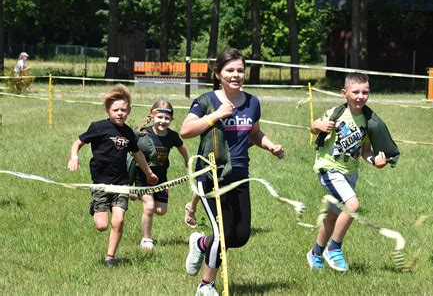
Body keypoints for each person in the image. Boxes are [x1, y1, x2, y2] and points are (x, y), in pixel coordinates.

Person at [180, 48, 284, 295]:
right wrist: (216, 115)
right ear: (218, 73)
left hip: (240, 175)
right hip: (211, 175)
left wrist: (270, 146)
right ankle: (206, 285)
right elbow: (185, 130)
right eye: (230, 70)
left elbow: (254, 132)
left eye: (240, 70)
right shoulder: (206, 101)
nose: (236, 75)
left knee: (240, 235)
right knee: (223, 234)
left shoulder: (252, 102)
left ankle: (200, 242)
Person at [306, 72, 390, 272]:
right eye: (356, 92)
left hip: (350, 173)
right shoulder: (335, 112)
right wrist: (319, 126)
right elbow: (313, 128)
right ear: (344, 93)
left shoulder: (369, 120)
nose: (360, 96)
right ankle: (334, 249)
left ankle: (316, 252)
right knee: (352, 205)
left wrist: (375, 161)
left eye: (365, 92)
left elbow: (366, 150)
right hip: (329, 168)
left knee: (333, 216)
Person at [67, 84, 158, 266]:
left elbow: (137, 154)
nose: (119, 113)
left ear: (129, 111)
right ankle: (95, 206)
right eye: (115, 110)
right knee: (102, 226)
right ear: (107, 110)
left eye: (123, 110)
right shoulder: (98, 127)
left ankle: (110, 257)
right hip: (100, 183)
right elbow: (78, 142)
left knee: (119, 220)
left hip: (121, 183)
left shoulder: (128, 133)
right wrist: (74, 157)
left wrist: (148, 172)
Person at [129, 99, 189, 249]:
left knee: (161, 211)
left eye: (167, 118)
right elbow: (131, 153)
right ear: (152, 116)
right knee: (149, 207)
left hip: (161, 178)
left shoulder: (172, 136)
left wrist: (187, 160)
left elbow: (182, 147)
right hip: (143, 176)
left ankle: (141, 198)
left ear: (171, 119)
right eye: (160, 117)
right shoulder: (143, 134)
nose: (163, 121)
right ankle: (146, 239)